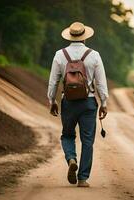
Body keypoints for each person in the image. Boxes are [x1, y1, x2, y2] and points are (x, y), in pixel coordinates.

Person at [47, 22, 108, 187]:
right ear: (85, 37)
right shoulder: (94, 55)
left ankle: (71, 158)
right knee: (87, 141)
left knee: (67, 135)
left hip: (68, 102)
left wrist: (52, 101)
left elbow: (53, 82)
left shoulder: (60, 55)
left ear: (69, 36)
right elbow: (101, 83)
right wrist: (104, 103)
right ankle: (82, 178)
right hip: (88, 102)